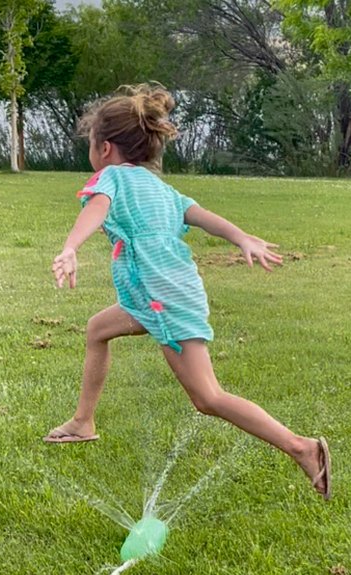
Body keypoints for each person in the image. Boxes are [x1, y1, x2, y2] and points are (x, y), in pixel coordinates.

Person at [43, 84, 331, 500]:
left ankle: (302, 447)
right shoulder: (159, 187)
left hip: (164, 300)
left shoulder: (111, 178)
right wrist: (241, 237)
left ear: (105, 148)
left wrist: (71, 247)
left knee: (207, 397)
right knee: (97, 329)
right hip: (155, 297)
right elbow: (201, 215)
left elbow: (96, 208)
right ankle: (82, 422)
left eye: (91, 144)